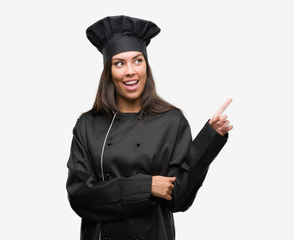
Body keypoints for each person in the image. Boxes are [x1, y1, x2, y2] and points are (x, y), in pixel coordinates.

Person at [66, 15, 233, 240]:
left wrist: (209, 139)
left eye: (137, 60)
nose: (130, 71)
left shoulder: (172, 121)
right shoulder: (87, 125)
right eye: (119, 63)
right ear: (109, 71)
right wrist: (147, 186)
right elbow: (80, 196)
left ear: (146, 65)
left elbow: (177, 200)